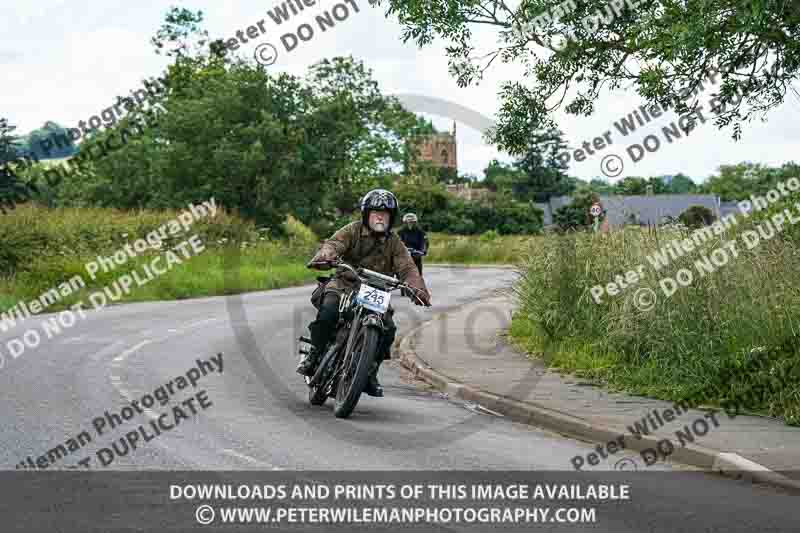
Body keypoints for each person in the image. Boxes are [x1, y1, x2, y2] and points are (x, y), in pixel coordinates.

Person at [297, 189, 432, 397]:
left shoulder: (395, 242)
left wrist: (418, 288)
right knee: (329, 310)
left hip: (375, 290)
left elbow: (407, 267)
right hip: (346, 282)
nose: (380, 217)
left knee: (387, 329)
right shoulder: (352, 230)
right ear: (366, 214)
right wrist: (325, 256)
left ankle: (369, 372)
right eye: (376, 212)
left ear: (391, 218)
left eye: (385, 214)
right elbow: (334, 244)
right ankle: (314, 354)